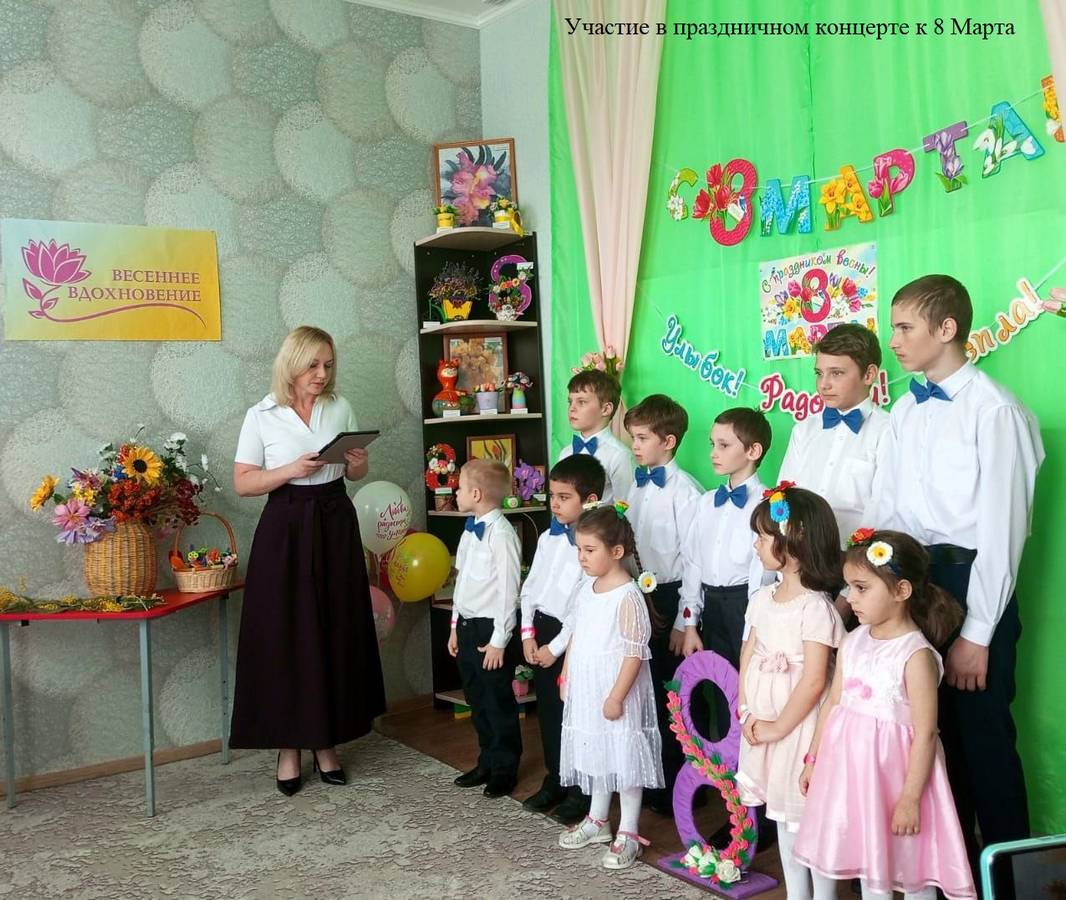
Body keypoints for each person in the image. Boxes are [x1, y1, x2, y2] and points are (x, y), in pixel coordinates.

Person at [868, 275, 1044, 872]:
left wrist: (978, 632)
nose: (893, 340)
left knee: (984, 741)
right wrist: (880, 590)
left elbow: (1004, 532)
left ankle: (1011, 877)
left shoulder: (995, 410)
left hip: (974, 586)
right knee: (930, 735)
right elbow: (889, 511)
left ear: (946, 329)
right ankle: (953, 873)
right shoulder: (904, 409)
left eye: (904, 327)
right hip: (914, 583)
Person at [229, 325, 385, 795]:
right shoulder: (262, 414)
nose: (322, 374)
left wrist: (356, 464)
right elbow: (243, 482)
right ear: (291, 365)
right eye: (313, 365)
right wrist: (291, 470)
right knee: (285, 634)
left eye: (328, 365)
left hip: (335, 520)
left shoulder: (340, 407)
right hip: (286, 525)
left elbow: (357, 473)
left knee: (334, 628)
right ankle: (289, 748)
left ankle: (326, 743)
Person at [794, 529, 976, 900]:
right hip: (853, 774)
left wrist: (910, 798)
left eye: (861, 588)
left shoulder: (915, 655)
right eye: (849, 587)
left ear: (901, 591)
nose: (851, 598)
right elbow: (833, 703)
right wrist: (813, 759)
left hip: (898, 776)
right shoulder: (853, 640)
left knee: (911, 860)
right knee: (870, 856)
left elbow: (926, 733)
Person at [737, 484, 844, 900]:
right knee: (781, 815)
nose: (756, 544)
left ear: (794, 541)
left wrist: (779, 727)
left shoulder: (816, 607)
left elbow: (816, 680)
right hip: (763, 724)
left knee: (807, 818)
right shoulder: (762, 598)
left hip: (797, 730)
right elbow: (748, 653)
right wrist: (746, 710)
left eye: (763, 536)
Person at [557, 502, 663, 871]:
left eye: (590, 550)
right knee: (596, 751)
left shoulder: (627, 595)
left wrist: (617, 696)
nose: (581, 557)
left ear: (616, 552)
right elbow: (577, 634)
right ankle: (598, 819)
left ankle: (629, 831)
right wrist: (566, 674)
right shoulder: (587, 589)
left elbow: (634, 653)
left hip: (617, 689)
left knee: (623, 757)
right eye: (579, 549)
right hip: (588, 687)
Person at [621, 394, 702, 816]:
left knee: (676, 695)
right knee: (645, 692)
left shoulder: (685, 491)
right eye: (632, 438)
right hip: (638, 593)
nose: (634, 446)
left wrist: (684, 621)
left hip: (672, 598)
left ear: (668, 441)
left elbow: (693, 561)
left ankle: (685, 784)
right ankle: (654, 779)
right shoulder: (635, 485)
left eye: (642, 438)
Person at [519, 454, 606, 824]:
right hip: (540, 632)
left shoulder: (593, 548)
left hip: (570, 640)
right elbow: (530, 588)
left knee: (575, 717)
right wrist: (527, 633)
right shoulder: (547, 539)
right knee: (549, 714)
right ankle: (555, 778)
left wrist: (555, 649)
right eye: (552, 495)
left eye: (564, 497)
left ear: (590, 500)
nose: (554, 504)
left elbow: (582, 606)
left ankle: (580, 790)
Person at [447, 458, 523, 799]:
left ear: (476, 494)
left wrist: (499, 640)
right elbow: (462, 584)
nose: (456, 493)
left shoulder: (502, 535)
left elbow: (508, 592)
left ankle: (506, 767)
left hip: (490, 631)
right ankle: (487, 760)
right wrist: (454, 626)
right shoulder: (470, 530)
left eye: (460, 487)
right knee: (476, 699)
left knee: (497, 700)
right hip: (467, 626)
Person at [777, 323, 890, 549]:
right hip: (800, 555)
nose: (824, 384)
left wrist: (856, 558)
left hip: (854, 558)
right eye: (819, 373)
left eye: (836, 373)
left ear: (869, 374)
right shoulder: (803, 430)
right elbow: (784, 496)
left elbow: (883, 508)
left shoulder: (887, 430)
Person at [556, 369, 633, 503]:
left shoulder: (619, 455)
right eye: (570, 402)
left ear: (605, 409)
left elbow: (626, 507)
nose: (572, 408)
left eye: (581, 402)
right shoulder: (565, 453)